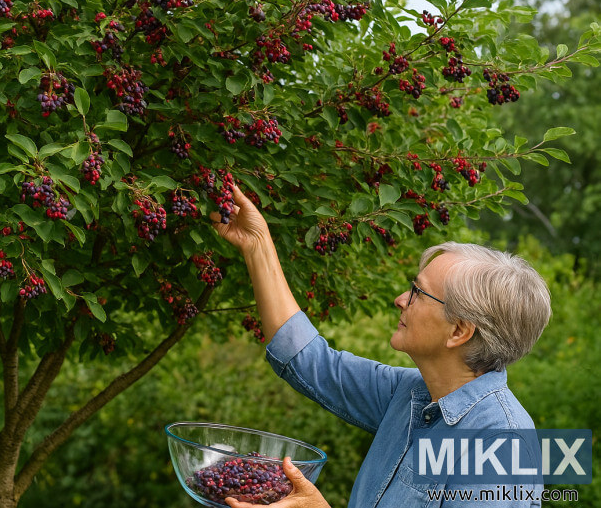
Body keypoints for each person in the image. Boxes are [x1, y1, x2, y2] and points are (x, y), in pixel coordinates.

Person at [209, 184, 551, 508]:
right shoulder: (409, 394)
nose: (400, 299)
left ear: (458, 331)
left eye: (418, 292)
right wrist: (257, 244)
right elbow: (308, 359)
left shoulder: (500, 442)